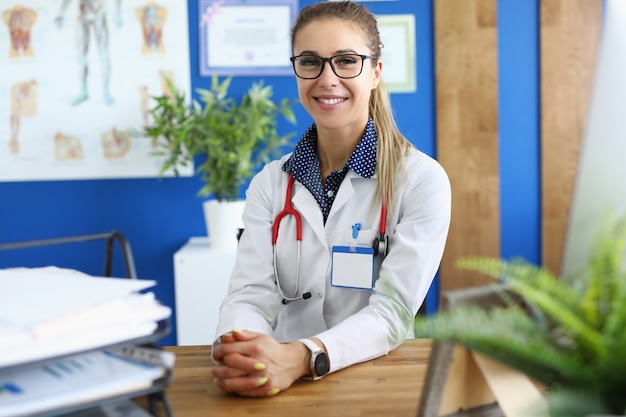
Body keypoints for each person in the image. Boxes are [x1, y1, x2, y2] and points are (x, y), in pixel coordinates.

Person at [211, 1, 451, 398]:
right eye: (310, 62)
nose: (327, 78)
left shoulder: (421, 181)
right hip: (279, 388)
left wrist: (303, 357)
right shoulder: (271, 184)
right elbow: (249, 295)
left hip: (378, 385)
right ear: (296, 70)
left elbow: (391, 313)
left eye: (345, 61)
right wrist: (243, 351)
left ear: (375, 72)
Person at [55, 0, 122, 106]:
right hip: (83, 14)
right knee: (81, 56)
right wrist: (61, 12)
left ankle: (106, 91)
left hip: (99, 13)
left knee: (104, 54)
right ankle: (83, 92)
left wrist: (118, 13)